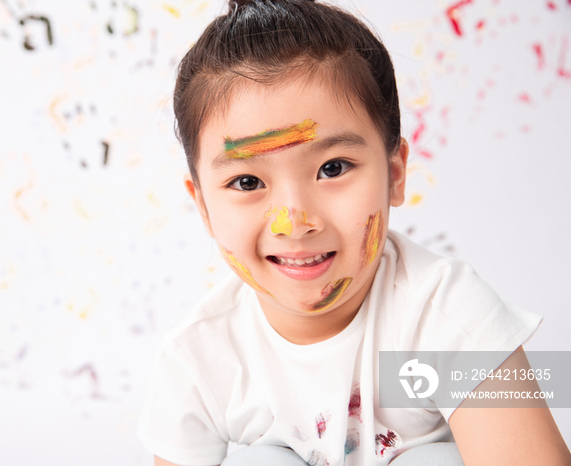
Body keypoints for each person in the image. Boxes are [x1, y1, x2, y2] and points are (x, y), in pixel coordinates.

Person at [137, 1, 571, 465]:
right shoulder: (199, 357)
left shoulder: (447, 312)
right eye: (247, 182)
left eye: (332, 168)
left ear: (395, 173)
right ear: (203, 205)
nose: (295, 221)